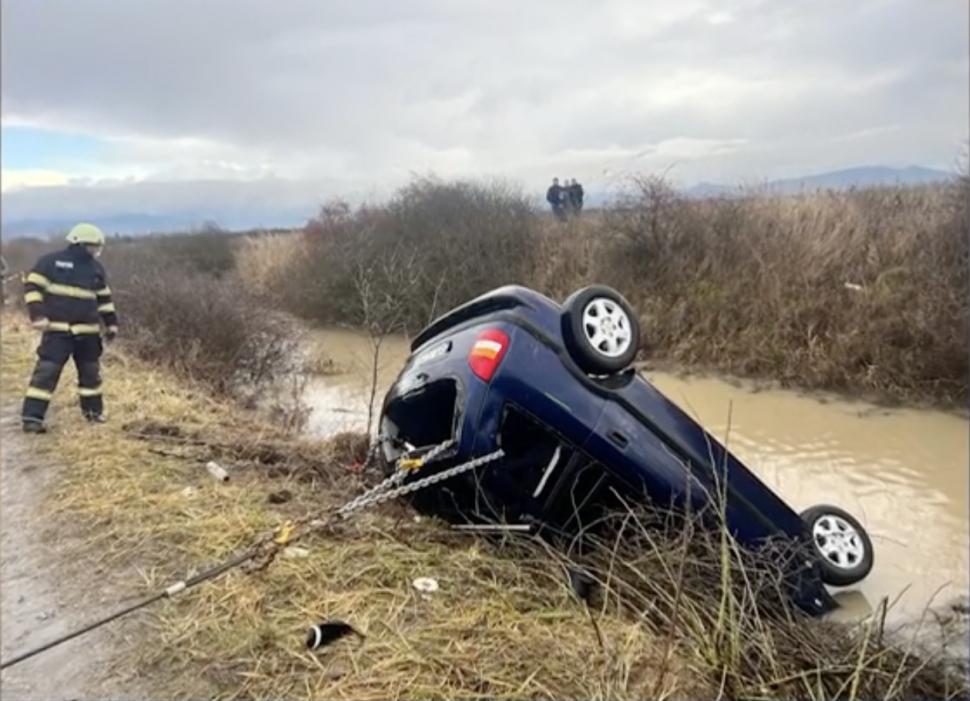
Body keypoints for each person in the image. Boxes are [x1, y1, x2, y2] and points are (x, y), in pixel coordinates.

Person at [21, 223, 119, 433]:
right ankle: (32, 418)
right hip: (58, 331)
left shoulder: (96, 269)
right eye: (94, 246)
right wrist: (37, 315)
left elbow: (104, 300)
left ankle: (93, 414)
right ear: (81, 243)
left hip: (88, 333)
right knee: (46, 373)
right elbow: (32, 288)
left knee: (91, 375)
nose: (96, 251)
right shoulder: (50, 262)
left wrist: (111, 324)